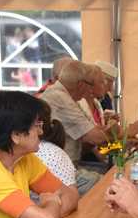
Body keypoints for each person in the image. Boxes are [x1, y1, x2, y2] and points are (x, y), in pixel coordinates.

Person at [40, 60, 108, 195]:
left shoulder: (64, 95)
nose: (91, 90)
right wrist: (116, 133)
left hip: (69, 164)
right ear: (81, 84)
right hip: (60, 170)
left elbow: (95, 137)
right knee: (109, 185)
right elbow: (96, 138)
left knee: (111, 177)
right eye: (93, 84)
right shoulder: (60, 97)